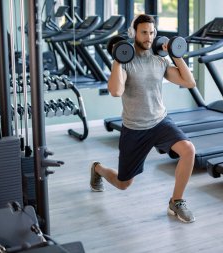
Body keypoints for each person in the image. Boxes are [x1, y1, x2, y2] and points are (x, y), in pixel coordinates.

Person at [90, 14, 196, 223]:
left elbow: (189, 82)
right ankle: (98, 169)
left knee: (188, 150)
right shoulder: (127, 62)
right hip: (134, 128)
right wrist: (118, 61)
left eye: (152, 32)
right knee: (123, 184)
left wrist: (175, 54)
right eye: (144, 32)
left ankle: (177, 201)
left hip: (159, 121)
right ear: (134, 34)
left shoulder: (159, 60)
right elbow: (116, 91)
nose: (149, 37)